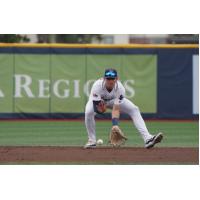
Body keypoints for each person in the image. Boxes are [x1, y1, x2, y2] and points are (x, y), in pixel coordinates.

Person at [84, 68, 163, 148]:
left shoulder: (120, 88)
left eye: (112, 79)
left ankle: (148, 139)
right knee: (88, 112)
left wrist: (115, 125)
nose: (110, 81)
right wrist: (103, 109)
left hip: (113, 100)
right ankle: (92, 141)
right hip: (100, 102)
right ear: (104, 78)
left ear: (116, 79)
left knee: (134, 109)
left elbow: (116, 108)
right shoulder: (97, 86)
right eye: (108, 79)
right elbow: (98, 109)